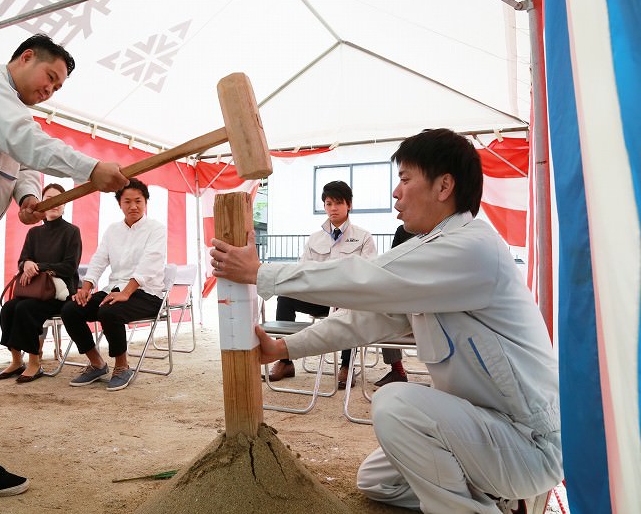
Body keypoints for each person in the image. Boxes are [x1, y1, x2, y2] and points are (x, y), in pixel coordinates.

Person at [211, 128, 561, 513]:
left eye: (405, 179)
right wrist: (285, 347)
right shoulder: (433, 252)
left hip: (525, 441)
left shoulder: (471, 247)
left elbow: (364, 278)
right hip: (479, 430)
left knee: (396, 404)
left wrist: (262, 274)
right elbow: (364, 319)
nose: (396, 192)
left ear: (444, 185)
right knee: (376, 480)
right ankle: (498, 499)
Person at [0, 34, 128, 496]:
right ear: (25, 57)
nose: (50, 90)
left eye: (58, 87)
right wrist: (90, 167)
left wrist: (28, 196)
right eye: (50, 77)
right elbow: (23, 141)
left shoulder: (12, 109)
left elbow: (21, 162)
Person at [266, 180, 376, 390]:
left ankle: (347, 365)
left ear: (349, 205)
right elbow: (302, 269)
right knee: (285, 299)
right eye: (328, 204)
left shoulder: (363, 237)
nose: (333, 208)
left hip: (347, 300)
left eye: (338, 203)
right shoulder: (314, 239)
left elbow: (368, 272)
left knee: (354, 309)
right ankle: (285, 360)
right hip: (319, 299)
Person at [60, 178, 166, 391]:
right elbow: (99, 260)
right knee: (71, 309)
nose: (133, 206)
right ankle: (97, 364)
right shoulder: (112, 230)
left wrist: (127, 292)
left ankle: (122, 367)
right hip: (115, 290)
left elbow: (149, 263)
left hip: (147, 294)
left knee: (109, 311)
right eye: (127, 201)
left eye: (138, 201)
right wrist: (86, 288)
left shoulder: (156, 229)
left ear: (146, 203)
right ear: (120, 204)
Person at [0, 183, 82, 383]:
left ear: (65, 204)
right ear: (42, 203)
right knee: (8, 308)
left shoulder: (72, 232)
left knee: (25, 309)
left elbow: (69, 267)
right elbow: (22, 261)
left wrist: (38, 266)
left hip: (59, 293)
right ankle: (16, 361)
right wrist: (27, 264)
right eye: (49, 198)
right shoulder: (34, 233)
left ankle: (34, 362)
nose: (54, 203)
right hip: (35, 291)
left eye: (59, 199)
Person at [371, 224, 416, 388]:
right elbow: (393, 263)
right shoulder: (404, 230)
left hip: (435, 298)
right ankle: (397, 369)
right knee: (383, 307)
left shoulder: (449, 231)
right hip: (405, 292)